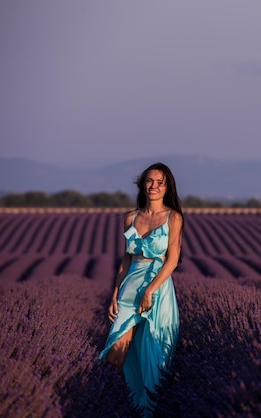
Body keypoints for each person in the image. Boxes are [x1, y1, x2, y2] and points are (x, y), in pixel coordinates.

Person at [99, 162, 183, 416]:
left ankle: (149, 412)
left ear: (167, 187)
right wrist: (115, 293)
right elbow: (126, 259)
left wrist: (150, 291)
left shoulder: (173, 217)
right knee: (114, 356)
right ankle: (109, 407)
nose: (154, 186)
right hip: (130, 289)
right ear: (142, 184)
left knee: (156, 359)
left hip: (158, 290)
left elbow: (172, 259)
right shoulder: (130, 218)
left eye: (160, 182)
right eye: (149, 181)